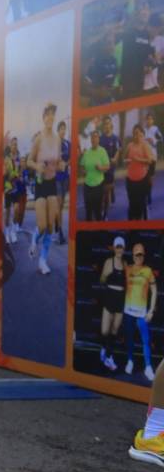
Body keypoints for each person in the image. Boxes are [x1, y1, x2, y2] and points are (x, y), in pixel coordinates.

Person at [27, 103, 63, 276]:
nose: (50, 117)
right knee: (41, 226)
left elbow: (59, 160)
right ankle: (34, 239)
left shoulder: (57, 139)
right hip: (41, 184)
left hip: (52, 183)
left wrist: (61, 165)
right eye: (47, 114)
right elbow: (29, 161)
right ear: (43, 118)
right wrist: (37, 166)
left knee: (50, 226)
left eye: (52, 114)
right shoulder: (39, 138)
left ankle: (43, 261)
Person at [123, 242, 156, 380]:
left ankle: (148, 367)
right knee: (130, 338)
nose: (138, 257)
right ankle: (130, 361)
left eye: (141, 255)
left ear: (144, 256)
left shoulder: (148, 271)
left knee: (146, 340)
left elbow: (154, 290)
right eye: (136, 255)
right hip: (128, 312)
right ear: (133, 256)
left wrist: (151, 310)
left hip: (142, 313)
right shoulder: (127, 269)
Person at [99, 236, 126, 371]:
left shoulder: (126, 264)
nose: (119, 250)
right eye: (117, 247)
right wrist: (105, 274)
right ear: (114, 248)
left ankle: (109, 357)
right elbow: (102, 280)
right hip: (109, 297)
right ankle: (104, 347)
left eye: (121, 247)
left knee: (114, 331)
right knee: (105, 331)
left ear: (124, 249)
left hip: (120, 300)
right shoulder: (109, 262)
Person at [124, 124, 158, 220]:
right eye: (134, 134)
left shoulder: (145, 145)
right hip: (130, 179)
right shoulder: (130, 145)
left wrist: (138, 159)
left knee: (140, 204)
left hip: (142, 180)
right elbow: (125, 159)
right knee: (132, 203)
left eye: (138, 134)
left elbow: (150, 160)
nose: (136, 136)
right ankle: (132, 223)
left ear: (142, 134)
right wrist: (127, 161)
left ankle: (142, 220)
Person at [79, 130, 111, 222]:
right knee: (88, 212)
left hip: (98, 185)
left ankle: (99, 228)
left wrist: (101, 167)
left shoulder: (102, 151)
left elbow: (107, 166)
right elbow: (81, 166)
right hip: (87, 186)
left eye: (96, 137)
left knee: (97, 212)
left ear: (98, 139)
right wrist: (83, 171)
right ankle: (89, 229)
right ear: (91, 140)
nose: (94, 139)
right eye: (92, 137)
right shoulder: (87, 152)